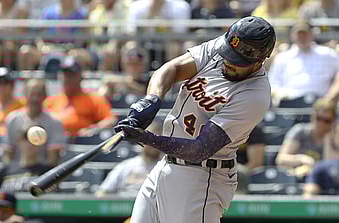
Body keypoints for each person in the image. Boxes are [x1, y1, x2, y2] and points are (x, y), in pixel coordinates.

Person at [114, 16, 276, 223]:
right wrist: (152, 98)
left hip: (202, 177)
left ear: (259, 61)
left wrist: (147, 138)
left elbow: (199, 150)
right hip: (165, 165)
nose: (228, 62)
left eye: (237, 61)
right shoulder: (223, 47)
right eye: (228, 54)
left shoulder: (255, 95)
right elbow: (172, 69)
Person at [44, 56, 117, 137]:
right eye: (65, 75)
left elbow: (110, 120)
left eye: (72, 75)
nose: (68, 79)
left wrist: (92, 129)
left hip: (83, 143)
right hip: (54, 143)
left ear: (80, 77)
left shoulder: (94, 99)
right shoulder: (51, 100)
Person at [268, 21, 339, 104]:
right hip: (290, 103)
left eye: (305, 34)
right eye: (299, 34)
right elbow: (273, 83)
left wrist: (330, 96)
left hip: (321, 103)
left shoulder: (327, 54)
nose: (302, 38)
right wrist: (279, 94)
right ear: (292, 36)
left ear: (311, 35)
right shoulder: (283, 58)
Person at [3, 78, 64, 166]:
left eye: (39, 94)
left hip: (43, 173)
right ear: (25, 95)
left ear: (45, 96)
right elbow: (7, 153)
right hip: (16, 174)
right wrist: (12, 173)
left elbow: (53, 159)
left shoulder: (55, 122)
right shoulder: (12, 119)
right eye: (32, 94)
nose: (35, 99)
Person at [96, 120, 163, 197]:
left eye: (157, 141)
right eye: (151, 140)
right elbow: (102, 192)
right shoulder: (126, 166)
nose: (154, 144)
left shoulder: (165, 168)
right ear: (142, 141)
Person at [276, 98, 336, 178]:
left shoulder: (334, 138)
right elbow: (280, 159)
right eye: (319, 118)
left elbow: (330, 165)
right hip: (296, 177)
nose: (322, 124)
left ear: (333, 121)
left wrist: (327, 139)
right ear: (312, 115)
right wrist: (302, 159)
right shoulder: (300, 131)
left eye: (327, 120)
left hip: (321, 181)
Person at [0, 122, 52, 191]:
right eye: (26, 138)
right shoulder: (6, 170)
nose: (30, 143)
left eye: (35, 139)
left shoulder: (48, 173)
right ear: (19, 140)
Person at [236, 124, 266, 193]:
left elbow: (255, 163)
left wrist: (232, 174)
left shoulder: (253, 129)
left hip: (244, 173)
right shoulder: (219, 129)